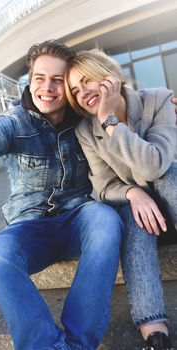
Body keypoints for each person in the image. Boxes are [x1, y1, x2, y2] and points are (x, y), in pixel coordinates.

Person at [0, 40, 124, 350]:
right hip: (29, 228)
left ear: (67, 85)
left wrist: (161, 107)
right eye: (40, 78)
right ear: (30, 80)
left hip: (78, 219)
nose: (47, 87)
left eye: (57, 80)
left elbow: (126, 117)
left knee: (106, 218)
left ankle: (79, 343)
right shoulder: (14, 122)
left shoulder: (84, 118)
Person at [65, 48, 177, 350]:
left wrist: (111, 122)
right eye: (75, 90)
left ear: (110, 75)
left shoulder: (159, 100)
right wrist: (132, 191)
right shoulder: (85, 130)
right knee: (129, 214)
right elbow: (102, 185)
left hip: (174, 200)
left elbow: (154, 165)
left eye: (86, 80)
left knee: (169, 175)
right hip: (146, 218)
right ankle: (155, 332)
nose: (82, 93)